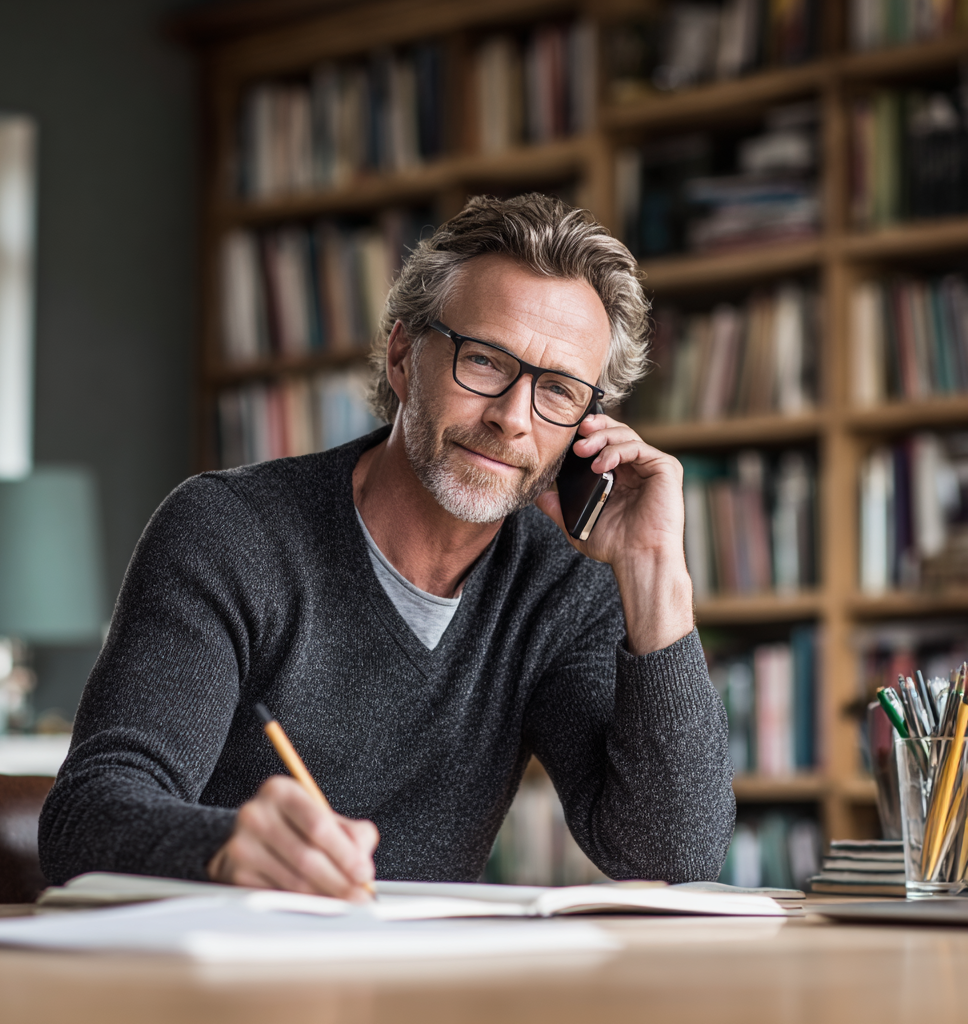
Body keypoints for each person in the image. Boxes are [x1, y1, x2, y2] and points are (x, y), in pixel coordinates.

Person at [39, 194, 734, 900]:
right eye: (487, 362)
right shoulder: (229, 533)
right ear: (404, 356)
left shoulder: (561, 584)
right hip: (212, 982)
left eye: (558, 391)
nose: (512, 420)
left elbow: (674, 854)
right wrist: (223, 848)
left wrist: (657, 576)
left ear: (586, 428)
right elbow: (85, 817)